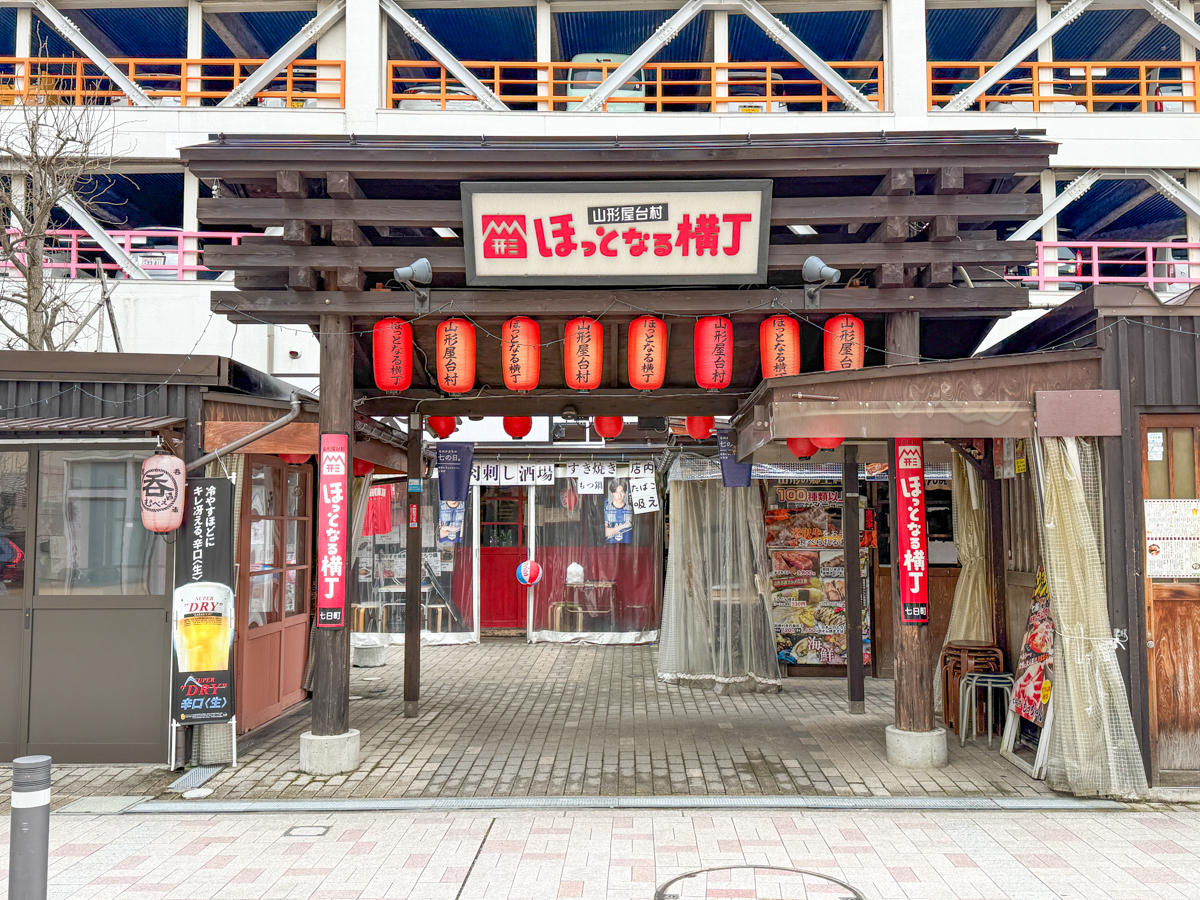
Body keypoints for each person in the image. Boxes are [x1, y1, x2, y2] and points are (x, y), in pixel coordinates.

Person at [604, 479, 632, 544]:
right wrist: (624, 526)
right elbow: (605, 532)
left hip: (629, 546)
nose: (619, 495)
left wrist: (613, 530)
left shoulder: (630, 509)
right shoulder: (607, 509)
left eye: (622, 492)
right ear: (612, 493)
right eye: (616, 492)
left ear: (625, 493)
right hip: (610, 545)